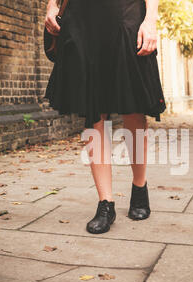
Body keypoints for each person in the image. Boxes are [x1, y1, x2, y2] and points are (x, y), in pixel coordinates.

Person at [44, 0, 166, 234]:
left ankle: (139, 186)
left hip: (127, 11)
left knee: (133, 106)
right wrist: (51, 6)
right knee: (93, 107)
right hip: (82, 16)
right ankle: (105, 203)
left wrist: (150, 20)